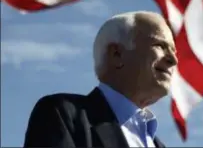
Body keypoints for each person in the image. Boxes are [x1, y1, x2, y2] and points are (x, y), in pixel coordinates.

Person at [23, 11, 178, 147]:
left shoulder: (158, 144)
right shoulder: (62, 116)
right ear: (117, 54)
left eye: (173, 51)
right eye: (160, 45)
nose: (173, 60)